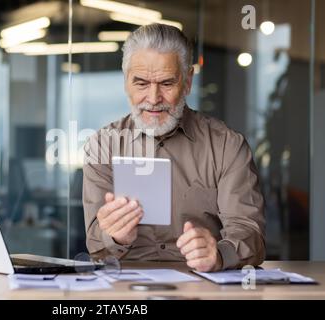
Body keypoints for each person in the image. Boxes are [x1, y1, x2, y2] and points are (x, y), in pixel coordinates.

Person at [82, 23, 265, 272]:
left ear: (187, 81)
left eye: (167, 83)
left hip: (203, 286)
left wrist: (220, 254)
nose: (154, 98)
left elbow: (250, 232)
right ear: (126, 82)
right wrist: (115, 237)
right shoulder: (102, 145)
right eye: (141, 83)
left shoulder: (226, 146)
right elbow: (96, 246)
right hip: (126, 288)